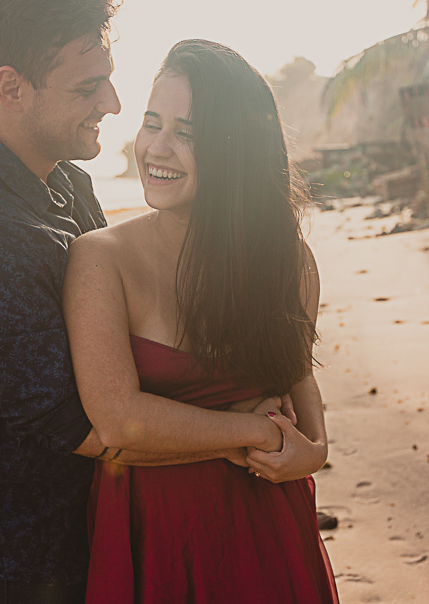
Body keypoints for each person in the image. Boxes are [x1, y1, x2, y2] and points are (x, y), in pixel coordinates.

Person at [0, 0, 322, 604]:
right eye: (89, 87)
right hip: (10, 557)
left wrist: (301, 442)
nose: (111, 105)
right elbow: (96, 429)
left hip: (91, 531)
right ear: (11, 88)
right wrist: (253, 431)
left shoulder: (62, 180)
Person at [63, 40, 339, 603]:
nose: (156, 149)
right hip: (154, 536)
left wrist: (317, 448)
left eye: (187, 133)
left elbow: (296, 376)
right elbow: (119, 420)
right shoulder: (101, 259)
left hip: (268, 526)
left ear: (235, 149)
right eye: (151, 123)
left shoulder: (289, 262)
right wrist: (256, 430)